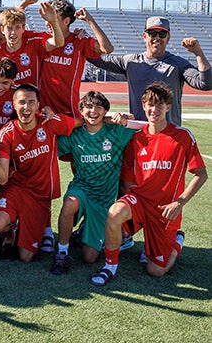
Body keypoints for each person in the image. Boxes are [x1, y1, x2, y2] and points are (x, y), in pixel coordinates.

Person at [90, 83, 207, 286]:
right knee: (114, 213)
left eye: (160, 105)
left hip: (165, 208)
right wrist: (127, 208)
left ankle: (176, 241)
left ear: (168, 107)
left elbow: (201, 174)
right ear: (143, 107)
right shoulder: (137, 138)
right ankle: (110, 267)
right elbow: (127, 179)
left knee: (155, 271)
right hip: (140, 201)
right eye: (150, 105)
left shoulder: (182, 137)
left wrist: (179, 203)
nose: (155, 110)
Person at [51, 91, 144, 274]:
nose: (93, 111)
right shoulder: (75, 135)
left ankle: (86, 232)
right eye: (89, 107)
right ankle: (62, 251)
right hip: (82, 188)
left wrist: (125, 118)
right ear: (81, 110)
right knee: (70, 203)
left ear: (105, 112)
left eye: (99, 108)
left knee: (89, 258)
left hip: (104, 198)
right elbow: (51, 147)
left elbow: (143, 128)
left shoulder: (116, 133)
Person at [0, 84, 77, 263]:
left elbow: (82, 122)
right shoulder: (6, 133)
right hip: (16, 188)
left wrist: (111, 118)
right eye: (21, 102)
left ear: (38, 105)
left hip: (39, 195)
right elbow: (3, 177)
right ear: (14, 105)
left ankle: (34, 227)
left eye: (31, 102)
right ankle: (11, 232)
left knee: (26, 257)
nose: (26, 107)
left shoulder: (49, 121)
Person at [88, 16, 212, 124]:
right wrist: (81, 40)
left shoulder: (178, 64)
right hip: (139, 133)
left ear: (168, 37)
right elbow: (98, 60)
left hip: (168, 133)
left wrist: (198, 53)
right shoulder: (131, 61)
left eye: (162, 34)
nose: (157, 37)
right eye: (152, 33)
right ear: (144, 36)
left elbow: (206, 84)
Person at [39, 0, 114, 117]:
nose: (49, 21)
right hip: (43, 111)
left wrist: (90, 21)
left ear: (66, 21)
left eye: (54, 18)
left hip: (69, 112)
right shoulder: (43, 40)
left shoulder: (79, 41)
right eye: (47, 17)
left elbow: (107, 48)